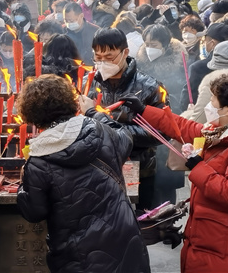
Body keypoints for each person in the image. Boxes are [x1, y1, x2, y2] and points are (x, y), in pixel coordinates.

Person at [131, 73, 228, 272]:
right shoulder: (218, 132)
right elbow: (182, 126)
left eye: (213, 99)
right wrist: (143, 110)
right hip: (210, 237)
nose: (209, 104)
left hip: (226, 244)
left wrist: (198, 167)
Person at [16, 74, 150, 273]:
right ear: (70, 102)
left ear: (31, 114)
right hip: (124, 240)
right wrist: (93, 112)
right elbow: (125, 137)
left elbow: (34, 212)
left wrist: (22, 186)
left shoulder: (38, 160)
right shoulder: (101, 131)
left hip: (78, 256)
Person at [85, 28, 166, 210]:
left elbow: (161, 133)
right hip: (95, 169)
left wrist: (114, 130)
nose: (103, 62)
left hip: (138, 168)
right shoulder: (87, 83)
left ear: (125, 52)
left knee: (138, 220)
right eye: (98, 57)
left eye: (110, 57)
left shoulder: (149, 86)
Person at [183, 23, 228, 112]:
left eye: (205, 40)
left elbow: (186, 100)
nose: (204, 44)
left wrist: (190, 112)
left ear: (212, 43)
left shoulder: (198, 68)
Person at [136, 25, 187, 114]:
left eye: (154, 45)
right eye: (147, 45)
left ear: (165, 45)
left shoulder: (179, 64)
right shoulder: (140, 63)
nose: (149, 48)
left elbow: (181, 93)